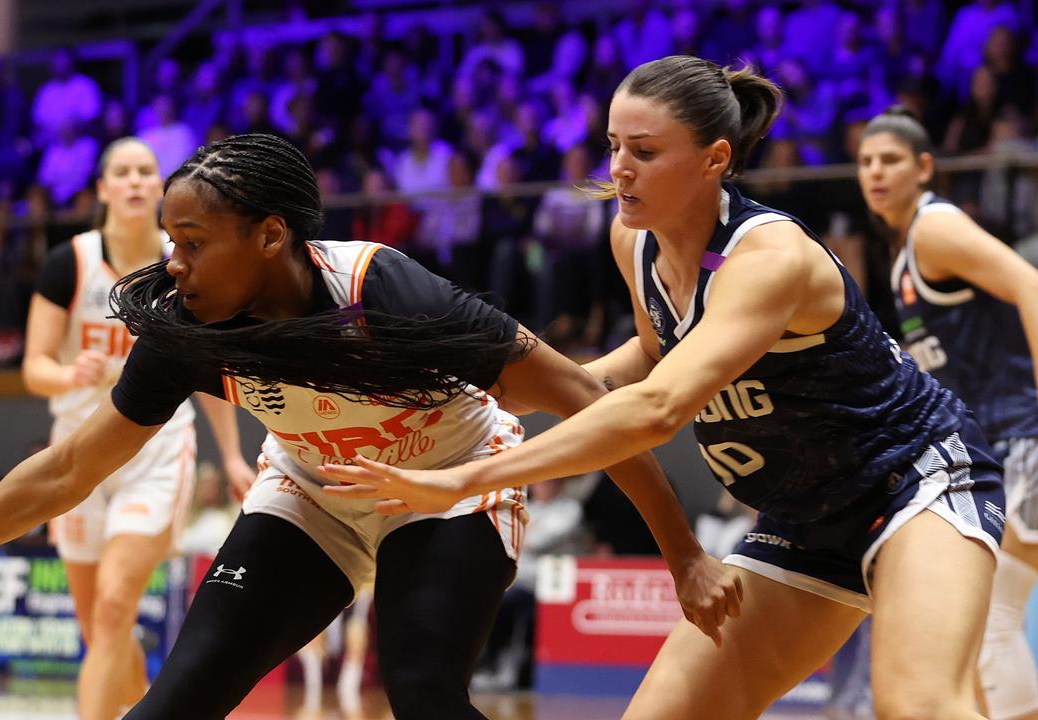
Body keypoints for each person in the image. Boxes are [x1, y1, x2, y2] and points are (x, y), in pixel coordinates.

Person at [0, 133, 738, 720]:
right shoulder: (185, 325)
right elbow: (67, 468)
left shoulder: (384, 291)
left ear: (269, 237)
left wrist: (684, 555)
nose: (173, 262)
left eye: (192, 241)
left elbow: (587, 403)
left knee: (421, 690)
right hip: (309, 494)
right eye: (169, 240)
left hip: (451, 485)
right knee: (171, 707)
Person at [321, 56, 1005, 720]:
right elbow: (654, 355)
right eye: (614, 145)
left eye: (644, 151)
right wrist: (554, 386)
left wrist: (470, 477)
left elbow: (658, 408)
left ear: (714, 159)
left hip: (914, 480)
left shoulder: (769, 258)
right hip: (803, 516)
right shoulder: (633, 240)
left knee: (918, 706)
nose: (618, 168)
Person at [22, 136, 255, 720]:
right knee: (100, 628)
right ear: (102, 188)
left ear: (160, 187)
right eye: (120, 172)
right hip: (79, 455)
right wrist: (70, 373)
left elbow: (209, 370)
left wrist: (230, 456)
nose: (132, 181)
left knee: (113, 608)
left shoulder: (182, 260)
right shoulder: (69, 262)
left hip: (156, 449)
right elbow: (34, 369)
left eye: (144, 171)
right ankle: (139, 706)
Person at [858, 106, 1038, 720]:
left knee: (988, 626)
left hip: (1023, 439)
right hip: (1000, 446)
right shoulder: (904, 253)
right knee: (988, 627)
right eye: (865, 162)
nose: (875, 173)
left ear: (924, 167)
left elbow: (1030, 284)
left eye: (890, 160)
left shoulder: (934, 229)